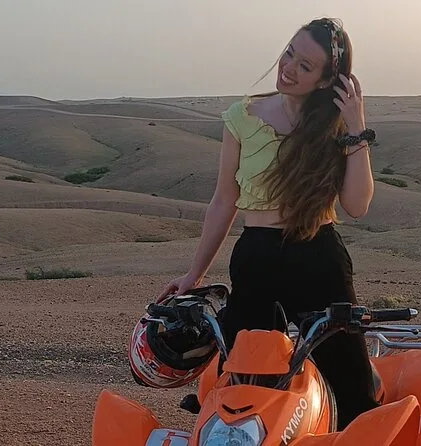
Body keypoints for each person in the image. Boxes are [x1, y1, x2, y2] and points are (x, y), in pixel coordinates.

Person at [157, 17, 379, 430]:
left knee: (353, 393)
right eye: (289, 53)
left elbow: (357, 205)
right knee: (244, 390)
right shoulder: (242, 117)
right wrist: (194, 274)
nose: (289, 68)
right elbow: (223, 201)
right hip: (256, 259)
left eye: (305, 66)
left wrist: (355, 127)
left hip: (318, 259)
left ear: (326, 81)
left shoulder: (333, 127)